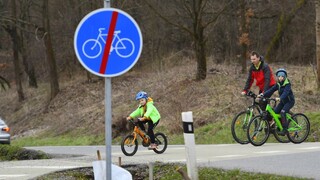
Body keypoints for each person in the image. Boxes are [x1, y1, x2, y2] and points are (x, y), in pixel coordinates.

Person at [258, 68, 295, 135]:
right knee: (274, 113)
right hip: (282, 102)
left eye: (282, 76)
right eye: (279, 76)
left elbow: (286, 93)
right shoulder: (278, 84)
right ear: (277, 77)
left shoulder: (287, 84)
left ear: (285, 77)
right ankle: (280, 125)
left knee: (283, 112)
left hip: (289, 101)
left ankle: (285, 129)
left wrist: (280, 98)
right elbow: (271, 90)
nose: (280, 78)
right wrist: (263, 94)